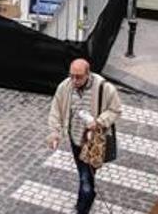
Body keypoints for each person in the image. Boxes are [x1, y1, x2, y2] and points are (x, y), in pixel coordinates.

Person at [46, 58, 122, 214]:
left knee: (85, 178)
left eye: (78, 76)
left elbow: (116, 110)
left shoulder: (104, 88)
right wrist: (55, 133)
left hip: (94, 142)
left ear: (88, 73)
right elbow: (56, 109)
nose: (74, 80)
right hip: (75, 140)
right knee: (85, 174)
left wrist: (99, 122)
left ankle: (82, 207)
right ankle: (88, 194)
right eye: (71, 75)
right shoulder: (65, 87)